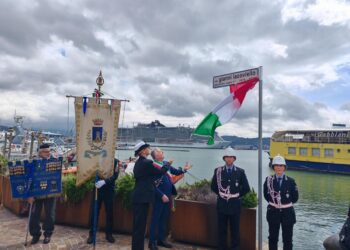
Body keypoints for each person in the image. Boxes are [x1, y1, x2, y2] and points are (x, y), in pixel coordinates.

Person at [148, 147, 192, 249]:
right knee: (156, 219)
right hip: (159, 197)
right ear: (155, 155)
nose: (162, 152)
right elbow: (152, 184)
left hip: (168, 196)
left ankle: (161, 240)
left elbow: (176, 172)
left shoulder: (165, 163)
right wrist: (161, 195)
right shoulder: (153, 166)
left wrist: (184, 170)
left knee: (164, 219)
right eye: (159, 151)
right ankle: (152, 242)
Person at [131, 141, 169, 250]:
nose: (150, 149)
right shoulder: (147, 163)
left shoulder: (139, 163)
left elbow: (147, 177)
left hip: (138, 197)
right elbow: (160, 171)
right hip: (142, 198)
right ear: (143, 151)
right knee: (140, 228)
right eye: (148, 148)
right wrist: (168, 164)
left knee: (137, 227)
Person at [211, 147, 250, 250]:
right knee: (221, 229)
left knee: (235, 230)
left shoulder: (240, 172)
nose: (229, 159)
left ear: (234, 159)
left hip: (235, 205)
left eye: (231, 157)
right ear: (224, 158)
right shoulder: (218, 171)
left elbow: (246, 188)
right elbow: (213, 186)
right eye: (227, 157)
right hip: (222, 205)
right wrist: (222, 195)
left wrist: (235, 195)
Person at [263, 155, 299, 250]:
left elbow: (295, 198)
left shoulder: (291, 181)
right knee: (272, 238)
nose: (279, 167)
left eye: (281, 165)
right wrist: (276, 204)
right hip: (273, 212)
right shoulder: (268, 180)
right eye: (277, 165)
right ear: (273, 167)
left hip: (287, 213)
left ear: (284, 167)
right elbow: (266, 196)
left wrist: (283, 204)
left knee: (287, 239)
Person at [86, 158, 121, 244]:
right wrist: (95, 179)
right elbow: (90, 172)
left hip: (109, 190)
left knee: (109, 212)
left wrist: (105, 182)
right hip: (98, 189)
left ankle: (109, 234)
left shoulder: (115, 161)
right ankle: (92, 234)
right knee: (94, 212)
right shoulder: (97, 160)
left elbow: (115, 175)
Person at [28, 143, 57, 244]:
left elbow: (58, 176)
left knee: (50, 215)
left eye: (49, 151)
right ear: (40, 152)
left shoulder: (55, 161)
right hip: (37, 193)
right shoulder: (33, 162)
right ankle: (35, 234)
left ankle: (48, 234)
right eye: (45, 152)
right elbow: (29, 178)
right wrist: (29, 195)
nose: (48, 153)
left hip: (50, 193)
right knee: (34, 215)